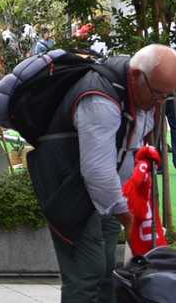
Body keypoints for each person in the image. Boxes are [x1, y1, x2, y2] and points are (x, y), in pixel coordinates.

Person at [32, 44, 176, 303]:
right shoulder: (100, 100)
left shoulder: (138, 93)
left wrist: (132, 203)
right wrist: (127, 217)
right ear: (136, 76)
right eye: (157, 94)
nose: (159, 103)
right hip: (68, 187)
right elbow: (97, 173)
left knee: (108, 268)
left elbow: (128, 152)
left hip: (104, 189)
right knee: (88, 271)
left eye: (167, 96)